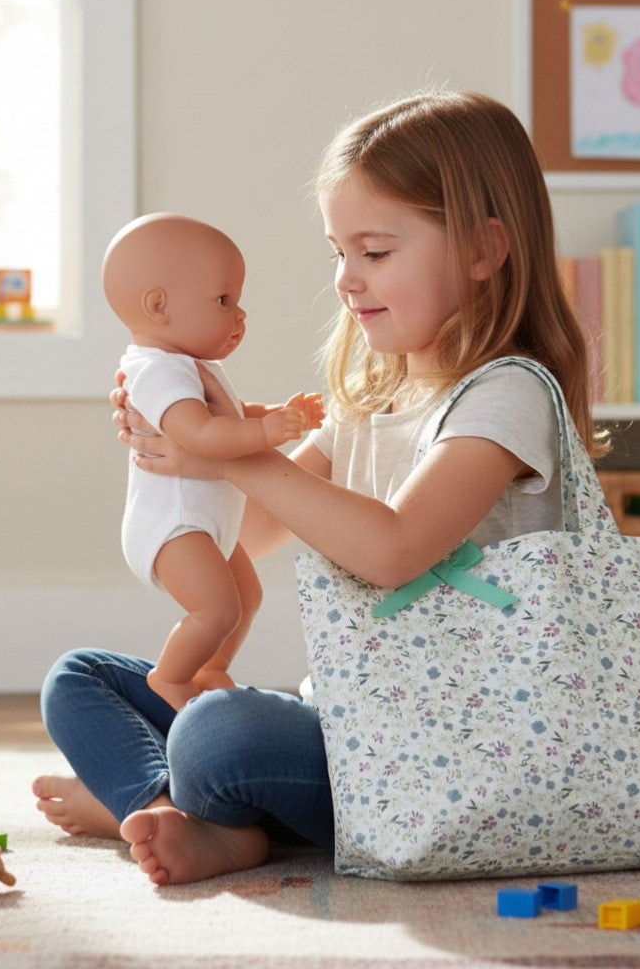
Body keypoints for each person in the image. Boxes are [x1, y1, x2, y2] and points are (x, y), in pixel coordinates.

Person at [33, 90, 605, 887]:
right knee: (79, 678)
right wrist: (187, 429)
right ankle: (166, 801)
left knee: (222, 733)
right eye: (338, 251)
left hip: (461, 758)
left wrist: (228, 456)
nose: (346, 278)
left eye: (374, 252)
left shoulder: (505, 397)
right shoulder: (370, 402)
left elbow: (395, 549)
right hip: (356, 731)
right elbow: (254, 531)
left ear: (482, 251)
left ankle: (184, 803)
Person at [101, 213, 324, 710]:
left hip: (206, 523)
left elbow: (229, 416)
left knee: (247, 598)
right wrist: (266, 432)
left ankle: (212, 666)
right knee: (217, 608)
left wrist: (277, 415)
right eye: (224, 300)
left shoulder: (191, 365)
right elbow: (197, 434)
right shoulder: (155, 370)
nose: (239, 315)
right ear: (158, 306)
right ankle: (171, 678)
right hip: (174, 527)